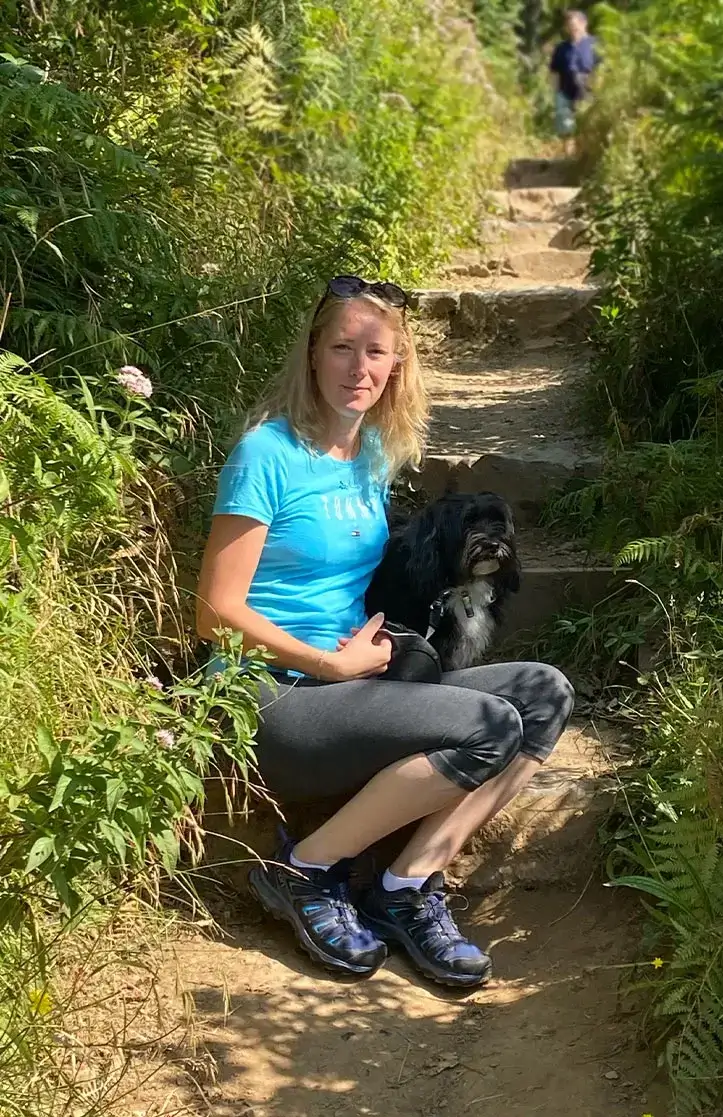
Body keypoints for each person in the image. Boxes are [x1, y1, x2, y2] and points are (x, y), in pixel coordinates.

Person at [195, 275, 575, 989]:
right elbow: (214, 611)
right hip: (270, 698)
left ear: (397, 364)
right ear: (312, 354)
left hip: (351, 686)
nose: (358, 368)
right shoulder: (266, 454)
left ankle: (404, 885)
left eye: (376, 352)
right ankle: (303, 870)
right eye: (341, 348)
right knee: (488, 725)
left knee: (544, 693)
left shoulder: (371, 456)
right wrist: (325, 663)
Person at [548, 10, 599, 156]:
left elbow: (601, 68)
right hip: (565, 89)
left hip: (588, 90)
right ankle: (568, 157)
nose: (572, 29)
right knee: (566, 126)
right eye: (570, 26)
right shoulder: (561, 48)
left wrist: (596, 87)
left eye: (575, 25)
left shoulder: (594, 44)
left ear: (584, 24)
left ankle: (583, 157)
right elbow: (554, 71)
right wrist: (556, 92)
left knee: (586, 124)